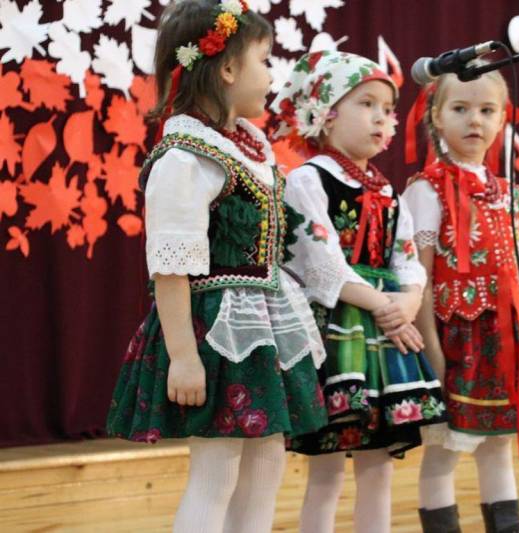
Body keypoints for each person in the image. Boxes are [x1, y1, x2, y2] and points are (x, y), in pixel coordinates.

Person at [106, 2, 327, 531]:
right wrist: (184, 357)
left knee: (266, 463)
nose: (272, 75)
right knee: (217, 472)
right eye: (264, 60)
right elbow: (170, 267)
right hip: (216, 333)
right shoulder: (186, 157)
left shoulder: (248, 148)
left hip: (261, 328)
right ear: (227, 68)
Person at [270, 50, 447, 533]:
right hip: (336, 333)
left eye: (387, 109)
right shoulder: (307, 180)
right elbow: (320, 263)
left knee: (378, 467)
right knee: (326, 470)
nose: (381, 118)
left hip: (383, 335)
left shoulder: (388, 191)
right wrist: (388, 306)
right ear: (325, 112)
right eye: (366, 104)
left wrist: (407, 302)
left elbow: (408, 259)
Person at [402, 66, 519, 532]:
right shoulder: (427, 189)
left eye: (487, 110)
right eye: (461, 108)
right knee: (444, 449)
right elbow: (420, 277)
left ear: (502, 118)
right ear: (436, 115)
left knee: (498, 444)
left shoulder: (511, 195)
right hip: (455, 341)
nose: (475, 120)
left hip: (504, 340)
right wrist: (431, 350)